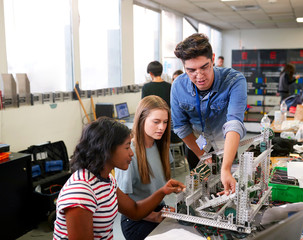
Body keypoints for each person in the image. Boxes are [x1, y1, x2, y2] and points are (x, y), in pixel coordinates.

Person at [53, 117, 185, 240]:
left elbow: (134, 211)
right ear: (107, 150)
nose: (131, 153)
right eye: (127, 147)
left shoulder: (106, 179)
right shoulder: (81, 193)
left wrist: (163, 191)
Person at [171, 33, 247, 195]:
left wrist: (225, 168)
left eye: (204, 67)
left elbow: (234, 123)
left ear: (212, 59)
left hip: (225, 144)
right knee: (198, 191)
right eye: (191, 70)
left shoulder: (234, 81)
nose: (199, 76)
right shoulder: (178, 86)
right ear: (184, 67)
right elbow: (181, 127)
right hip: (196, 145)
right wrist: (202, 155)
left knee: (228, 188)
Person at [115, 96, 174, 240]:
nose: (162, 127)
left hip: (159, 208)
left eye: (165, 122)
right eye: (156, 122)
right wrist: (153, 216)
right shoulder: (130, 153)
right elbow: (122, 201)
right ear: (142, 119)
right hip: (137, 219)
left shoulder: (161, 147)